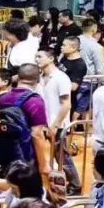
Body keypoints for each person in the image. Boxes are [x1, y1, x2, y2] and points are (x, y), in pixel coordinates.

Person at [0, 64, 49, 182]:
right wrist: (43, 164)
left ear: (18, 77)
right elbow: (37, 134)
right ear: (38, 79)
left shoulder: (3, 98)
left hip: (4, 155)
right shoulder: (35, 101)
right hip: (27, 157)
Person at [36, 48, 79, 193]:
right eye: (36, 57)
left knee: (62, 156)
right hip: (43, 123)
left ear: (51, 59)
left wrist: (55, 124)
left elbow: (66, 104)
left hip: (58, 124)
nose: (37, 60)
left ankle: (75, 185)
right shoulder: (40, 78)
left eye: (40, 57)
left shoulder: (61, 78)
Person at [58, 36, 89, 117]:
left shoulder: (79, 65)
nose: (61, 47)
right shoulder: (64, 57)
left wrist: (56, 83)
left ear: (73, 48)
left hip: (68, 100)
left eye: (64, 45)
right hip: (57, 97)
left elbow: (74, 86)